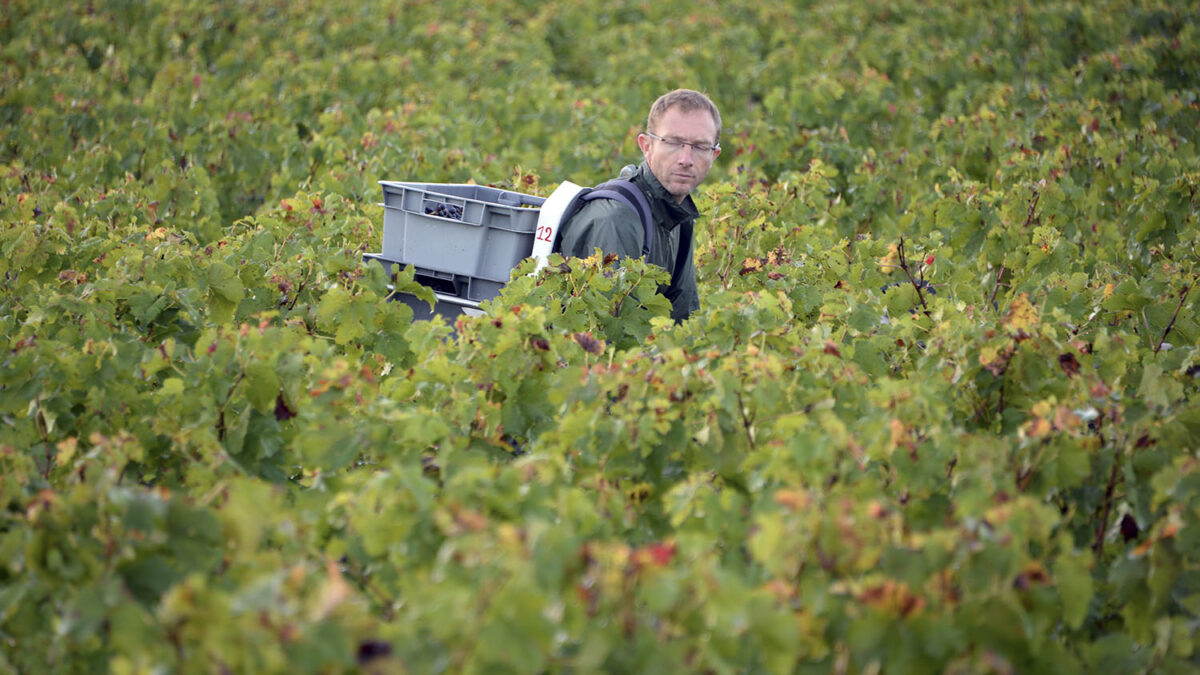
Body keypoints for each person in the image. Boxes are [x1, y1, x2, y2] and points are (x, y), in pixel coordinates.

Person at [557, 89, 722, 322]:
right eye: (673, 143)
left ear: (714, 156)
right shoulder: (615, 221)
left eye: (700, 147)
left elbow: (684, 321)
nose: (686, 159)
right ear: (646, 146)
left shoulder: (679, 216)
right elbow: (606, 336)